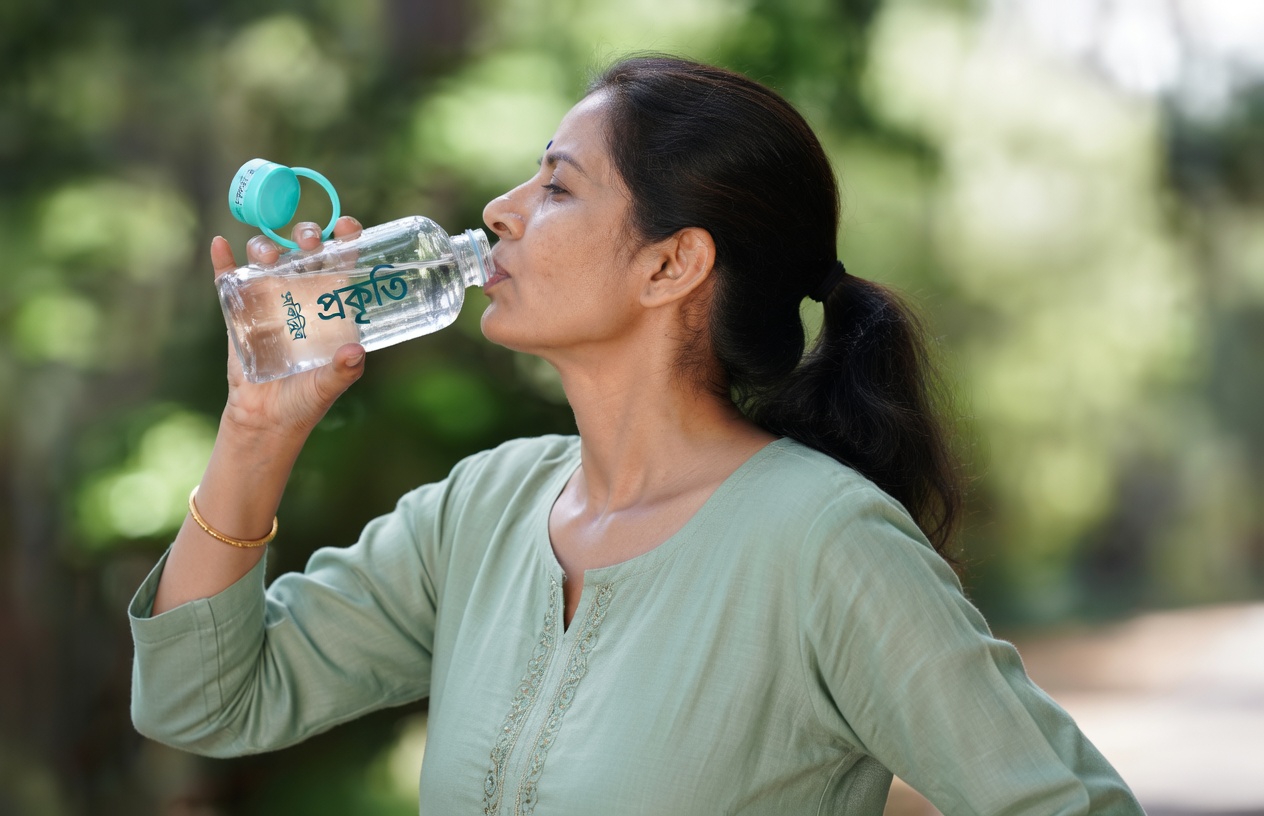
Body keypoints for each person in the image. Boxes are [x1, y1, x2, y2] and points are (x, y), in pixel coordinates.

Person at [129, 56, 1145, 814]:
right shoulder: (482, 510)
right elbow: (202, 703)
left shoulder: (824, 543)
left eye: (558, 186)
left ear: (671, 266)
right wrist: (257, 430)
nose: (500, 211)